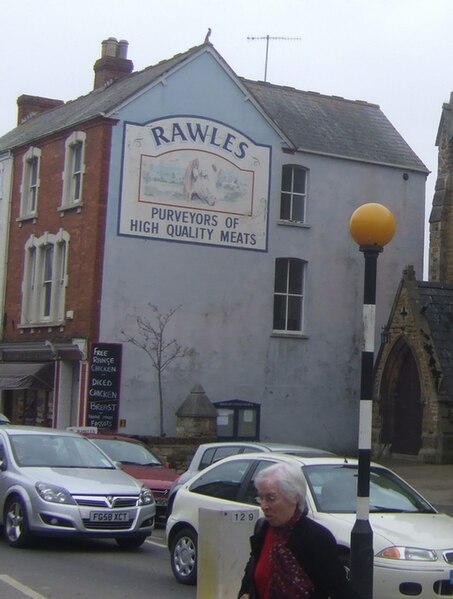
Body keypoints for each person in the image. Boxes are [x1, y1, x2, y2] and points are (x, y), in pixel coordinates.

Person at [238, 461, 360, 599]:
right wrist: (245, 592)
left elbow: (340, 589)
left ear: (294, 497)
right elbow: (251, 576)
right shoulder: (262, 530)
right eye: (261, 498)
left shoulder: (316, 538)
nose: (264, 506)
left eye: (271, 498)